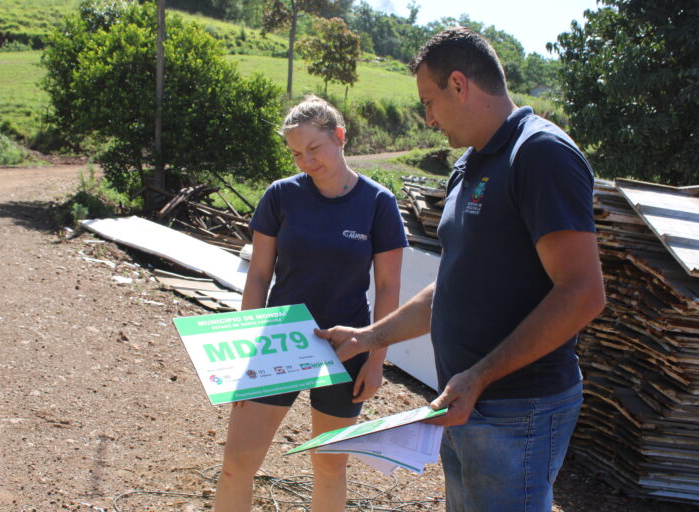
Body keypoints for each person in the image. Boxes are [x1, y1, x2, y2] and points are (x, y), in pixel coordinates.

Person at [316, 28, 606, 512]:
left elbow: (582, 292)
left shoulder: (539, 153)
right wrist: (368, 337)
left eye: (429, 102)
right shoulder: (468, 165)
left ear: (458, 84)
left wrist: (479, 376)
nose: (428, 119)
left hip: (518, 409)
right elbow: (452, 285)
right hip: (463, 399)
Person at [214, 95, 407, 512]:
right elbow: (259, 275)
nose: (306, 161)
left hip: (347, 348)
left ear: (339, 136)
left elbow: (388, 287)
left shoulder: (378, 203)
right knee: (237, 464)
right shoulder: (281, 196)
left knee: (329, 466)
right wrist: (243, 348)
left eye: (314, 148)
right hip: (278, 342)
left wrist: (376, 360)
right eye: (296, 153)